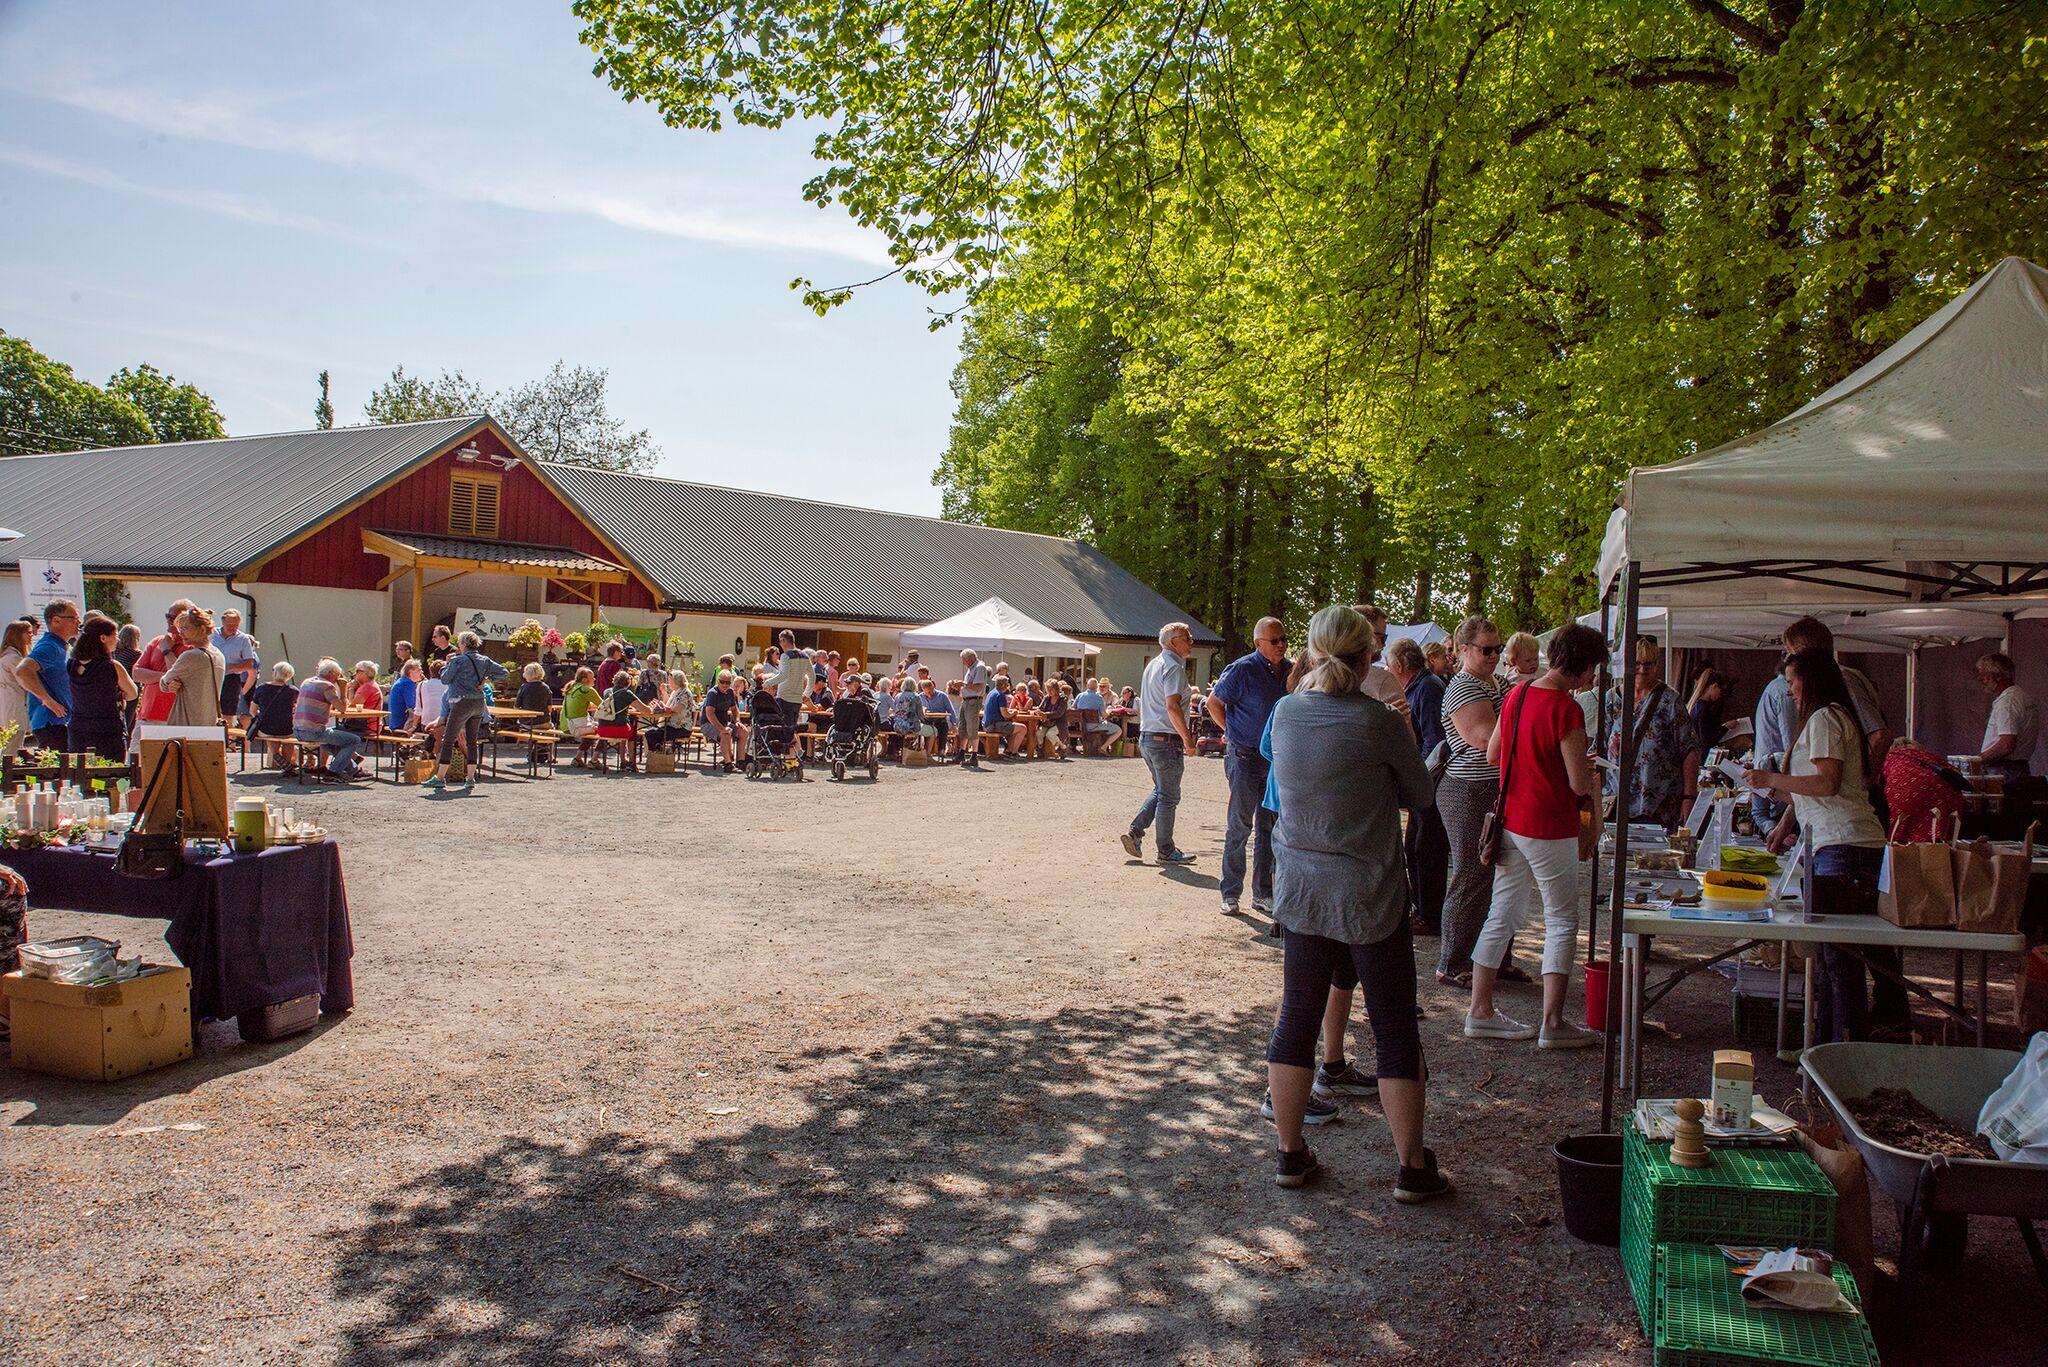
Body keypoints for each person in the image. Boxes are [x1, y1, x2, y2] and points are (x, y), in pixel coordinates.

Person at [1261, 605, 1446, 1199]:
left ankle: (1290, 1154)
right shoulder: (1378, 721)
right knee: (1393, 1026)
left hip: (1304, 886)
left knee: (1296, 1017)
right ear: (1370, 657)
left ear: (1311, 654)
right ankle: (1411, 1166)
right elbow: (1420, 794)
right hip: (1369, 889)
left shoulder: (1286, 712)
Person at [1464, 624, 1605, 1046]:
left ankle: (1479, 1010)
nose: (1595, 677)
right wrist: (1591, 774)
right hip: (1548, 824)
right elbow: (1578, 783)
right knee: (1562, 918)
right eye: (1594, 668)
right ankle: (1553, 1023)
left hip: (1511, 821)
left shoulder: (1516, 694)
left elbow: (1493, 753)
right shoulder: (1567, 708)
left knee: (1501, 912)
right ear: (1582, 667)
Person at [1745, 650, 1890, 1042]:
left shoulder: (1825, 718)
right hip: (1839, 844)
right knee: (1832, 960)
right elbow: (1816, 792)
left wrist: (1772, 779)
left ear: (1811, 681)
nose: (1789, 691)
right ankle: (1828, 1045)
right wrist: (1773, 790)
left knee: (1839, 961)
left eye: (1792, 682)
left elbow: (1827, 783)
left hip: (1844, 848)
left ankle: (1842, 1047)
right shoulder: (1828, 719)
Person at [1435, 616, 1507, 989]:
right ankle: (1452, 962)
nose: (1495, 655)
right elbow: (1485, 740)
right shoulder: (1464, 687)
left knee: (1499, 877)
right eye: (1487, 649)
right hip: (1467, 790)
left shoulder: (1492, 682)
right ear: (1464, 650)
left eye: (1498, 648)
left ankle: (1492, 958)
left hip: (1490, 789)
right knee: (1471, 875)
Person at [1208, 616, 1290, 916]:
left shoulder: (1290, 671)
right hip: (1244, 756)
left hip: (1274, 759)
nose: (1281, 645)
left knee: (1269, 826)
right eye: (1275, 640)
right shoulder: (1243, 669)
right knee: (1239, 825)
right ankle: (1230, 892)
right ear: (1259, 643)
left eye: (1283, 639)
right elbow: (1213, 703)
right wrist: (1230, 730)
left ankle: (1263, 893)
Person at [1121, 623, 1199, 866]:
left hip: (1148, 736)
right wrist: (1187, 738)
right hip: (1166, 739)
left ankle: (1135, 832)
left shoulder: (1154, 664)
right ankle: (1165, 850)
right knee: (1169, 796)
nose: (1191, 642)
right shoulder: (1174, 667)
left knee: (1162, 791)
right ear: (1173, 641)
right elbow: (1172, 705)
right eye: (1187, 638)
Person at [1602, 639, 1701, 830]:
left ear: (1656, 664)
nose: (1642, 669)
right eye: (1636, 663)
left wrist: (1689, 797)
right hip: (1615, 803)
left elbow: (1690, 749)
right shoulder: (1611, 699)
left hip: (1659, 806)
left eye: (1648, 664)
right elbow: (1600, 747)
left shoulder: (1670, 700)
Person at [1386, 637, 1448, 936]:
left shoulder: (1427, 688)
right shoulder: (1421, 686)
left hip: (1431, 783)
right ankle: (1421, 909)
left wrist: (1416, 773)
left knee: (1427, 849)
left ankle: (1430, 914)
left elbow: (1435, 741)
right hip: (1423, 783)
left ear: (1399, 666)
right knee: (1415, 847)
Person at [425, 632, 505, 789]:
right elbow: (504, 672)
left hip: (460, 701)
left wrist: (448, 664)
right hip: (478, 702)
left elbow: (445, 679)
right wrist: (486, 681)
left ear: (462, 644)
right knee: (471, 741)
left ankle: (440, 777)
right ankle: (470, 779)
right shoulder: (484, 660)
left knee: (448, 739)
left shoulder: (458, 660)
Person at [64, 614, 137, 759]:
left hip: (78, 727)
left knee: (80, 774)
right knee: (109, 775)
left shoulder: (72, 664)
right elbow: (132, 693)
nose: (117, 640)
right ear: (102, 638)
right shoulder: (111, 666)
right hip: (106, 728)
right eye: (115, 635)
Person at [16, 599, 82, 749]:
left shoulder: (63, 646)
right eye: (74, 618)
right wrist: (46, 699)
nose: (78, 622)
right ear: (56, 621)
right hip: (51, 723)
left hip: (61, 722)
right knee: (61, 770)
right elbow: (22, 670)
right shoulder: (49, 646)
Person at [292, 657, 365, 779]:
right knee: (354, 740)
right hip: (314, 731)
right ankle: (333, 772)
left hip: (298, 730)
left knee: (332, 743)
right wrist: (343, 688)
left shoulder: (307, 682)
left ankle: (354, 770)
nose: (338, 678)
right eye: (337, 674)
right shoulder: (327, 686)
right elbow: (342, 708)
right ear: (331, 673)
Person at [131, 598, 197, 730]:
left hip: (175, 719)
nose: (169, 620)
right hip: (147, 717)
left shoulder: (193, 648)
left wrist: (167, 651)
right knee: (136, 751)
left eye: (174, 617)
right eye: (168, 616)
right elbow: (136, 674)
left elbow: (180, 678)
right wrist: (165, 677)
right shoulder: (157, 641)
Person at [1973, 651, 2037, 782]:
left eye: (1983, 675)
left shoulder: (2007, 702)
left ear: (1997, 676)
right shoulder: (2022, 696)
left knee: (2002, 802)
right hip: (2018, 769)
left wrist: (1976, 760)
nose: (1980, 680)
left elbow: (2006, 745)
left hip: (2003, 771)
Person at [158, 608, 226, 727]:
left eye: (185, 628)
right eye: (180, 629)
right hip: (209, 726)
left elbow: (164, 683)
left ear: (202, 629)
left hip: (187, 727)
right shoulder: (219, 655)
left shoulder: (191, 656)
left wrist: (170, 683)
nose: (180, 633)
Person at [210, 608, 260, 719]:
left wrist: (231, 667)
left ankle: (228, 735)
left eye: (235, 625)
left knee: (228, 714)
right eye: (230, 625)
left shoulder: (243, 639)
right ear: (223, 622)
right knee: (209, 710)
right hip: (211, 676)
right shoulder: (212, 634)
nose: (232, 628)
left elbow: (249, 663)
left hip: (231, 679)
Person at [770, 629, 813, 733]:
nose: (780, 644)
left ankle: (787, 749)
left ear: (784, 641)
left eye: (780, 641)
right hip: (797, 699)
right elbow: (812, 677)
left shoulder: (785, 656)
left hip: (784, 697)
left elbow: (783, 675)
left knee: (783, 730)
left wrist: (768, 683)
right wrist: (807, 693)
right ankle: (796, 749)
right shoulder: (805, 656)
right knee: (791, 729)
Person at [0, 619, 34, 752]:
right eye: (29, 633)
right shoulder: (13, 657)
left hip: (9, 705)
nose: (32, 636)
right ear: (18, 635)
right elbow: (25, 681)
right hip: (14, 706)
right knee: (10, 749)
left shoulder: (8, 654)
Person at [562, 666, 605, 765]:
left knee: (592, 730)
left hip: (565, 724)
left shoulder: (572, 687)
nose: (594, 679)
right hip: (575, 727)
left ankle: (578, 758)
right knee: (605, 730)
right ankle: (594, 760)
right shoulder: (587, 690)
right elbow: (604, 706)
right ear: (585, 679)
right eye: (592, 677)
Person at [247, 662, 299, 740]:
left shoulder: (262, 688)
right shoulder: (294, 691)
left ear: (275, 673)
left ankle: (273, 752)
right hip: (287, 729)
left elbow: (252, 711)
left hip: (266, 729)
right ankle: (285, 752)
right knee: (288, 743)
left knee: (271, 741)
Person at [957, 648, 990, 768]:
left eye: (964, 660)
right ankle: (961, 752)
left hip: (973, 701)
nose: (963, 663)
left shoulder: (980, 667)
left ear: (969, 659)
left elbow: (978, 686)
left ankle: (974, 755)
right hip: (966, 700)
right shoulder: (971, 668)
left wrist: (963, 684)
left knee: (972, 728)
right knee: (962, 727)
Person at [1687, 668, 1732, 753]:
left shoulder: (1697, 706)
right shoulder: (1703, 709)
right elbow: (1707, 741)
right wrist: (1726, 727)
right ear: (1714, 686)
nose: (1720, 695)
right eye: (1721, 691)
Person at [113, 623, 142, 743]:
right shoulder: (136, 654)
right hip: (131, 690)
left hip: (117, 690)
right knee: (129, 720)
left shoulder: (115, 653)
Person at [345, 661, 383, 737]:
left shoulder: (366, 688)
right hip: (373, 725)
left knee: (332, 732)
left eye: (357, 671)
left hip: (365, 727)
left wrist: (350, 689)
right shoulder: (371, 685)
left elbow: (351, 708)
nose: (354, 674)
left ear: (365, 673)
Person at [916, 678, 954, 755]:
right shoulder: (920, 697)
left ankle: (941, 750)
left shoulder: (942, 696)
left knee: (944, 727)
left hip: (939, 720)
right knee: (922, 728)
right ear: (923, 690)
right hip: (926, 720)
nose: (930, 694)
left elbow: (951, 710)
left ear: (933, 687)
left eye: (931, 691)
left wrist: (954, 724)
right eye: (928, 692)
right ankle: (922, 750)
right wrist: (923, 710)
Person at [387, 659, 423, 733]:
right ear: (410, 672)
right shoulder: (407, 684)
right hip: (402, 725)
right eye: (419, 670)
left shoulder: (402, 681)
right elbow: (413, 706)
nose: (422, 672)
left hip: (395, 722)